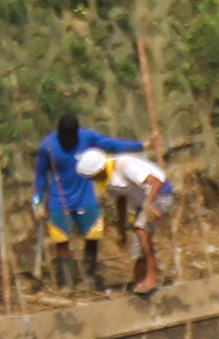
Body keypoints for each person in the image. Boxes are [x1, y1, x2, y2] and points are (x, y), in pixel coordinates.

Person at [30, 112, 138, 288]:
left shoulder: (87, 137)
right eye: (65, 137)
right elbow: (41, 175)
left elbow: (112, 145)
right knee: (61, 241)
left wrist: (141, 145)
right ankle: (67, 283)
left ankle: (89, 276)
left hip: (85, 197)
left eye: (72, 137)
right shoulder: (47, 146)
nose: (69, 141)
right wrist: (37, 201)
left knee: (93, 237)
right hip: (59, 199)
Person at [91, 143, 175, 295]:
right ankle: (142, 278)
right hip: (142, 202)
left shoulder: (124, 165)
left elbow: (156, 182)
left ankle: (152, 276)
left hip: (160, 195)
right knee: (137, 243)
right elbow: (121, 201)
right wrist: (122, 231)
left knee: (142, 230)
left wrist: (149, 206)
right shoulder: (106, 179)